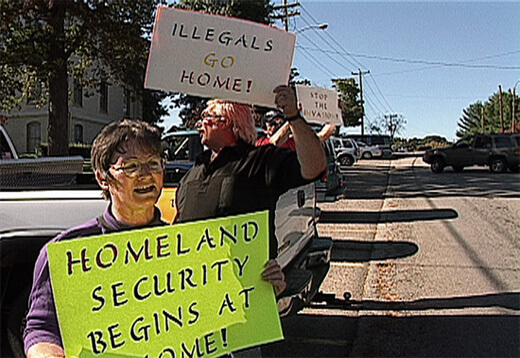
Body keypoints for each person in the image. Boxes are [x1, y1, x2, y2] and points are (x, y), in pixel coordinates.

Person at [23, 119, 286, 358]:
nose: (146, 174)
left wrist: (260, 289)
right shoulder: (68, 252)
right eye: (131, 166)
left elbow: (216, 316)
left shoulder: (190, 248)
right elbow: (40, 328)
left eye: (154, 163)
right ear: (103, 178)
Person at [174, 83, 327, 265]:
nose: (200, 124)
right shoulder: (192, 175)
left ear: (227, 121)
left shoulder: (261, 161)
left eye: (207, 116)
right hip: (195, 284)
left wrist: (293, 117)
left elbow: (314, 167)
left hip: (245, 285)